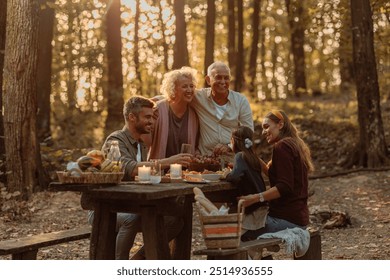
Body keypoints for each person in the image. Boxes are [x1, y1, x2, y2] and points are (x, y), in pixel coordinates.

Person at [88, 96, 186, 259]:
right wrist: (167, 162)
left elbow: (143, 175)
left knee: (175, 221)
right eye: (147, 117)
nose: (152, 122)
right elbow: (130, 168)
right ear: (132, 117)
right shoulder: (115, 140)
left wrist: (167, 178)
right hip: (107, 207)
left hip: (131, 205)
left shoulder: (140, 143)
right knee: (131, 219)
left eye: (152, 117)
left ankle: (138, 260)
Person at [239, 110, 314, 241]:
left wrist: (255, 198)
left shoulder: (282, 146)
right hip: (298, 218)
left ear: (280, 124)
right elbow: (273, 173)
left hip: (287, 220)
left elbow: (284, 186)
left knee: (236, 232)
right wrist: (251, 154)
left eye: (267, 126)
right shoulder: (293, 144)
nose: (263, 132)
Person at [191, 61, 254, 156]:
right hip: (206, 159)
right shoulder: (198, 97)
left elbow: (249, 138)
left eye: (226, 78)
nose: (223, 82)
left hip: (233, 162)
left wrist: (230, 146)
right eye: (218, 77)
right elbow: (174, 95)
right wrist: (159, 105)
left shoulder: (241, 101)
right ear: (208, 80)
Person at [223, 125, 268, 235]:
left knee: (227, 233)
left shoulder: (240, 156)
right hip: (261, 207)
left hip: (252, 211)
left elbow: (235, 177)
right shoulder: (252, 156)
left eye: (231, 140)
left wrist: (227, 174)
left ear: (234, 141)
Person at [148, 66, 199, 160]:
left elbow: (195, 146)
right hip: (159, 171)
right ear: (173, 89)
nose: (189, 90)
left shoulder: (194, 114)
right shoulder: (157, 110)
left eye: (191, 86)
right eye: (184, 86)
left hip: (186, 172)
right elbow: (145, 142)